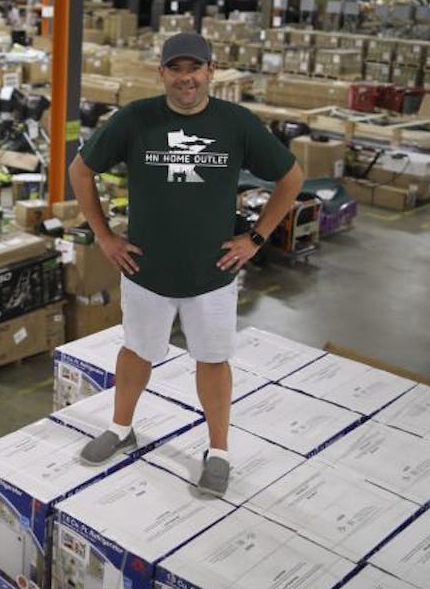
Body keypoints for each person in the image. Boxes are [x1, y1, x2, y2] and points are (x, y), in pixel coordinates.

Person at [68, 32, 305, 497]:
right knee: (136, 351)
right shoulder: (136, 119)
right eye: (175, 69)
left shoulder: (236, 123)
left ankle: (218, 451)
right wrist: (103, 235)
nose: (185, 79)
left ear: (210, 71)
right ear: (161, 74)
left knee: (213, 360)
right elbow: (81, 170)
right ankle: (121, 428)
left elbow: (291, 177)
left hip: (211, 273)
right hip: (146, 271)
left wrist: (256, 239)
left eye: (194, 69)